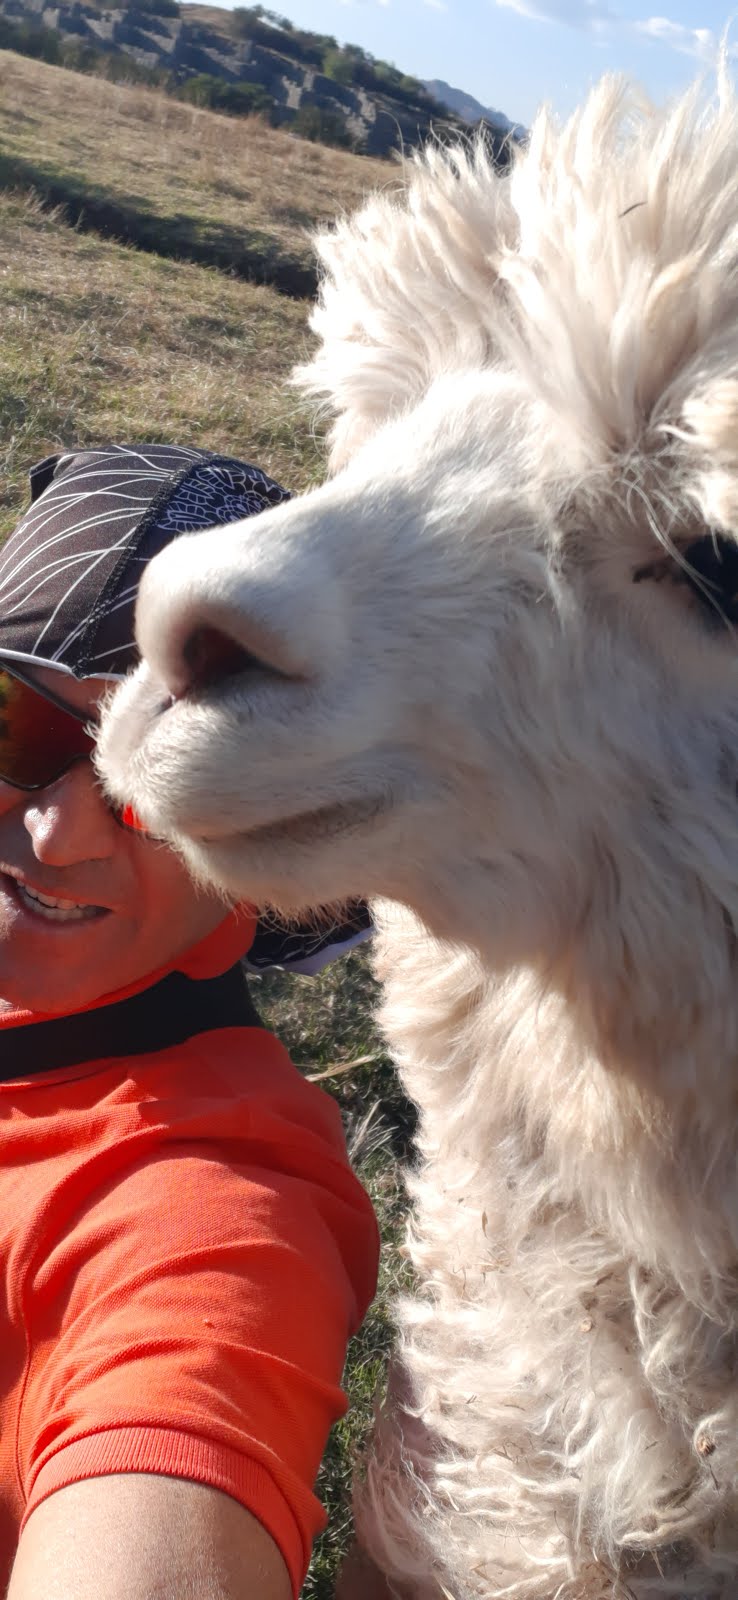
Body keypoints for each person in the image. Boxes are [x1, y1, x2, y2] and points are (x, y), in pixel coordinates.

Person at [0, 444, 379, 1600]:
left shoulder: (212, 1201)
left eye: (161, 781)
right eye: (18, 726)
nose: (58, 834)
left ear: (258, 864)